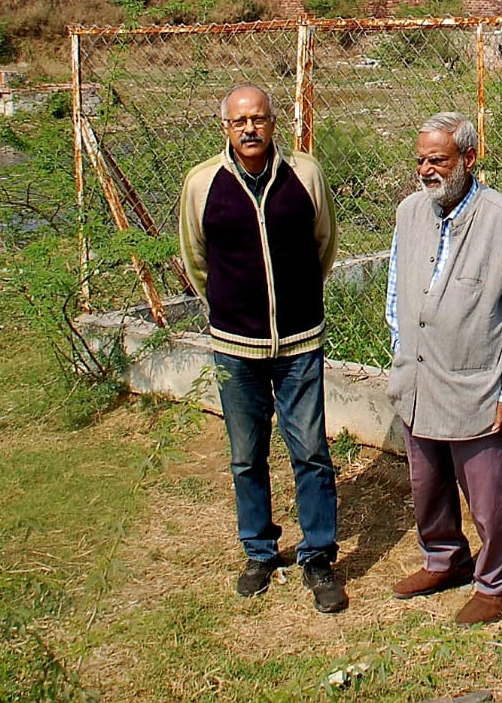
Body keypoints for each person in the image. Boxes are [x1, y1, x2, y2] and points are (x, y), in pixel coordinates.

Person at [177, 83, 348, 614]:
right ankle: (259, 550)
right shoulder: (202, 184)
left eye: (259, 119)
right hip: (235, 347)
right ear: (224, 128)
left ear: (276, 123)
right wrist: (231, 309)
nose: (249, 129)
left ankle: (317, 556)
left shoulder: (305, 175)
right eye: (239, 121)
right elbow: (195, 259)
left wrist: (298, 302)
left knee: (311, 452)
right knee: (245, 455)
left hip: (299, 343)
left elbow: (325, 244)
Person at [384, 111, 502, 626]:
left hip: (479, 385)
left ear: (469, 159)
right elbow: (397, 292)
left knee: (488, 495)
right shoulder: (411, 213)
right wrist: (404, 349)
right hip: (419, 376)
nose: (427, 170)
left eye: (439, 160)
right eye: (421, 161)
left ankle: (499, 582)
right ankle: (445, 560)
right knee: (426, 481)